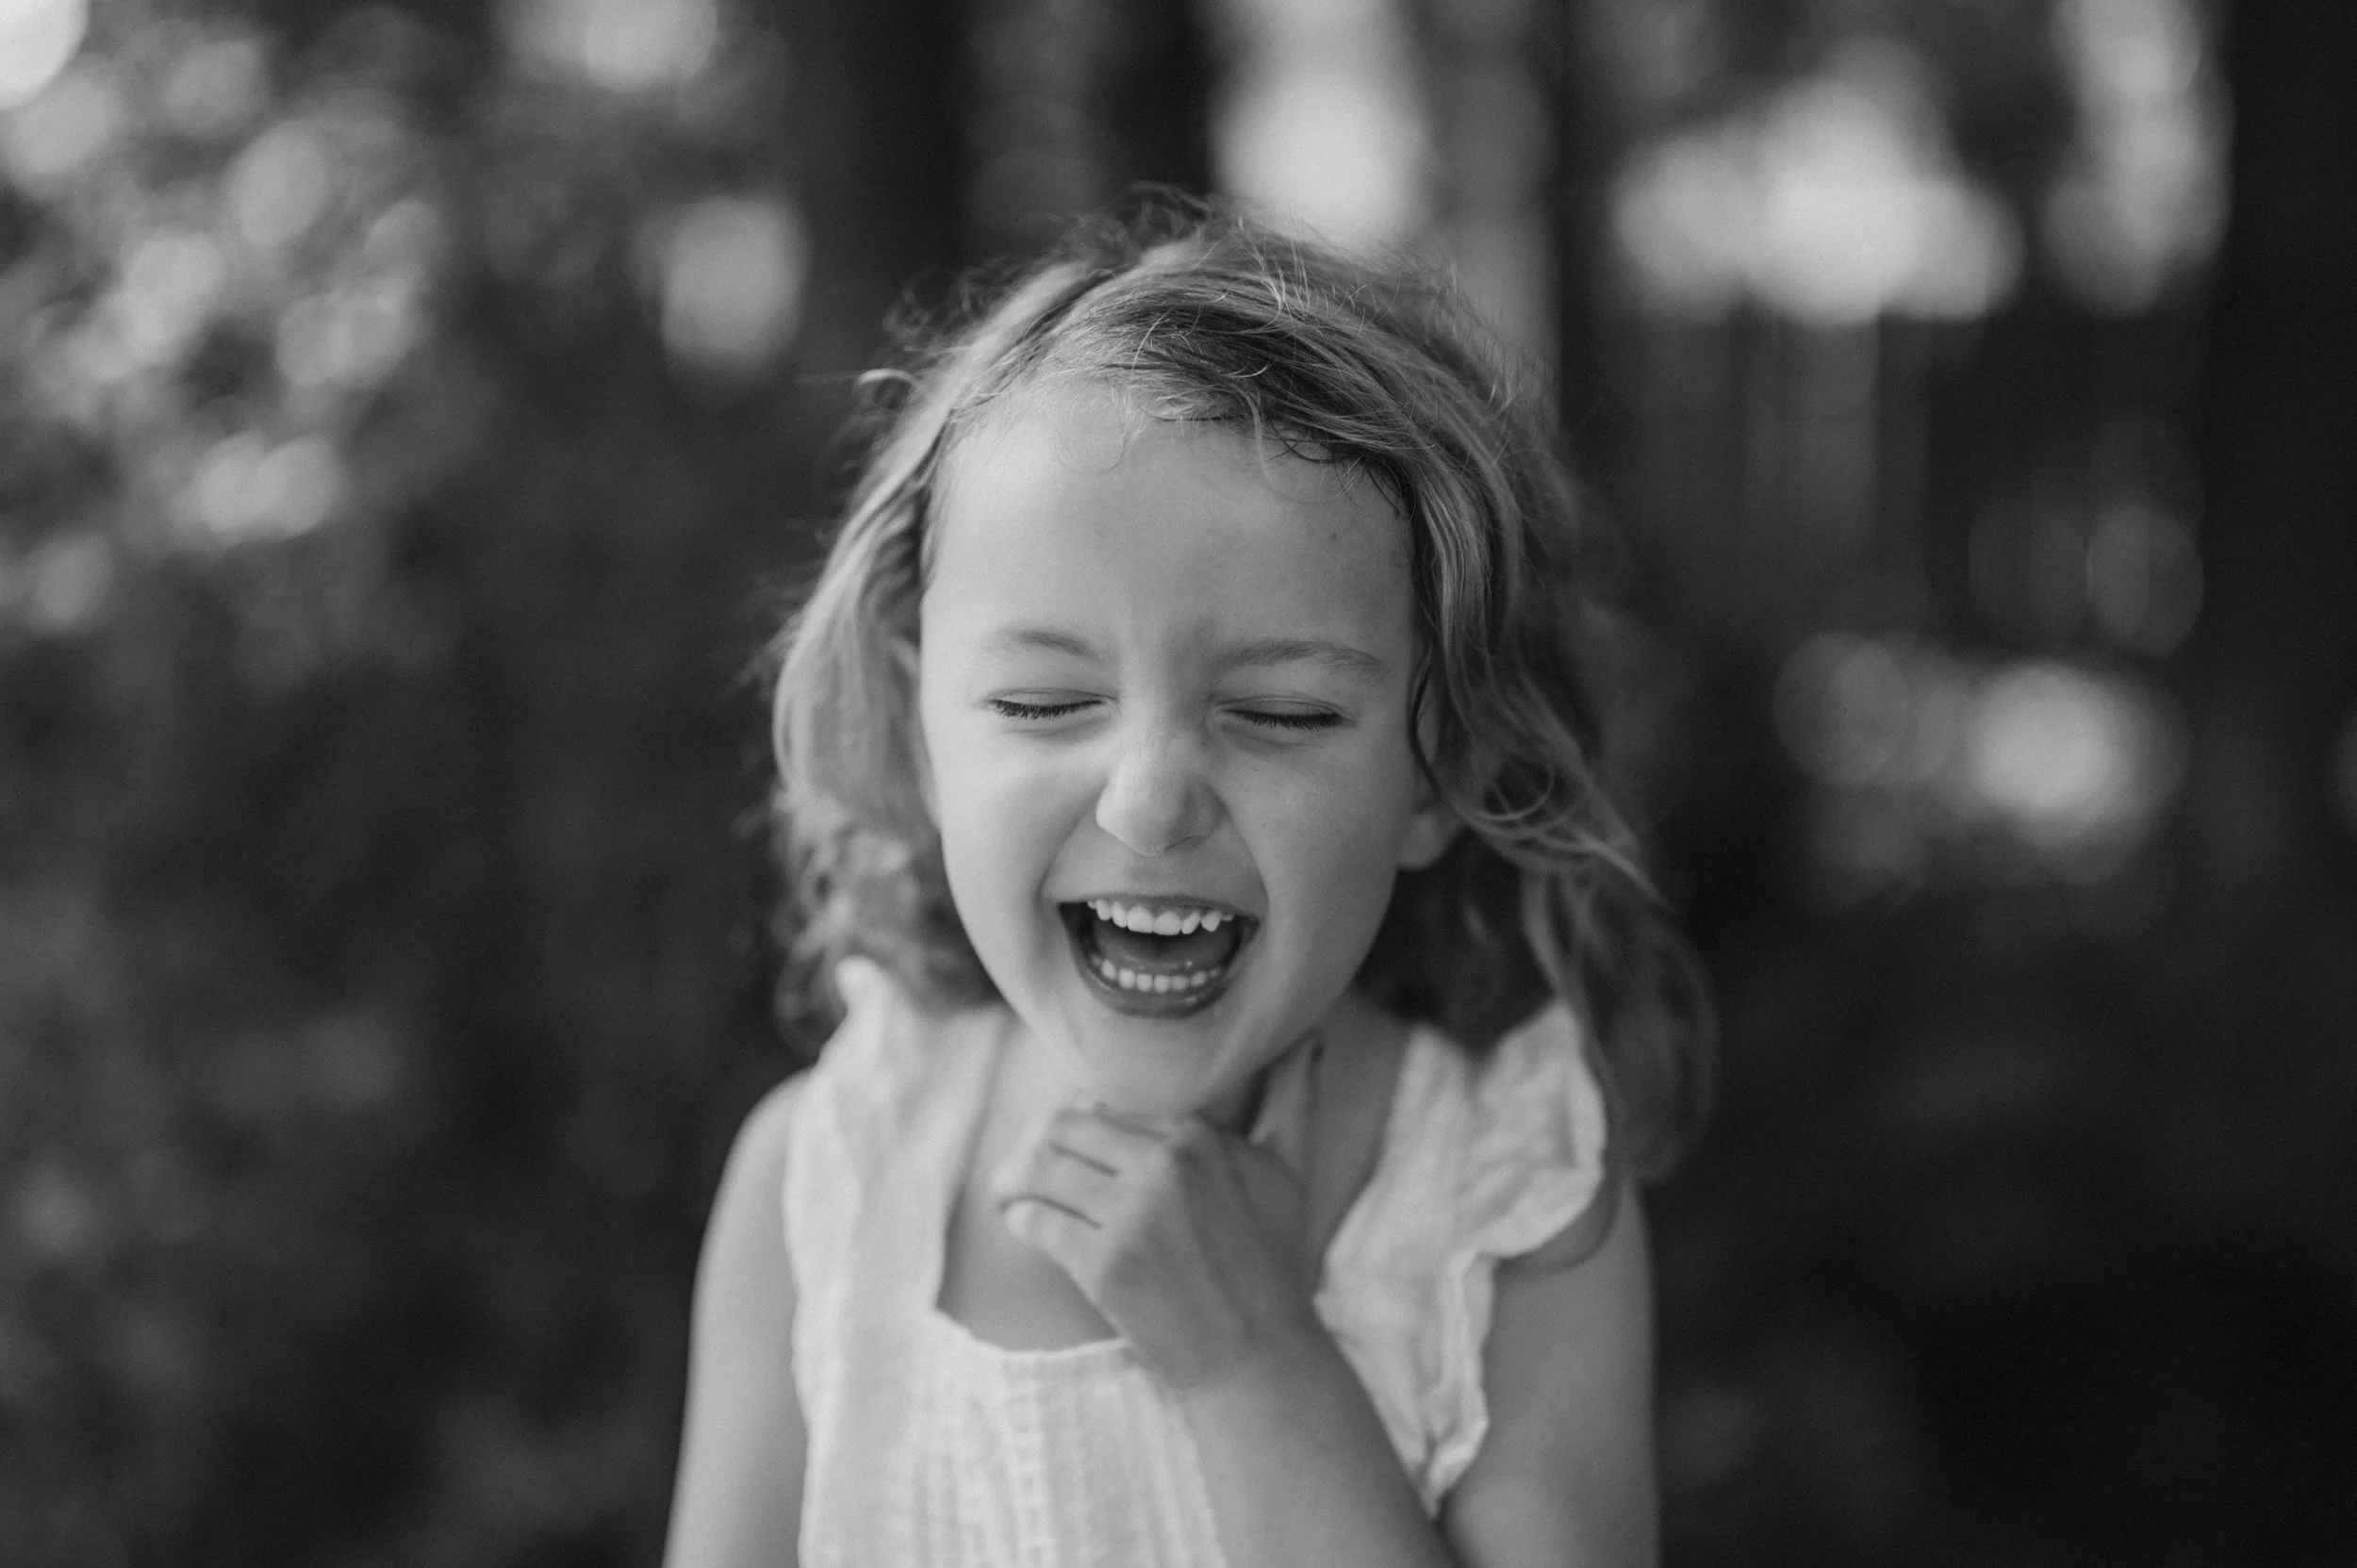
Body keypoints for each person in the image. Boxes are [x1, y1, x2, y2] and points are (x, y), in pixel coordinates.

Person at [663, 205, 1713, 1568]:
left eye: (1280, 713)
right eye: (1044, 701)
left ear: (1437, 778)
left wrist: (1255, 1362)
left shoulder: (1505, 1210)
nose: (1150, 801)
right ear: (924, 736)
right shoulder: (825, 1189)